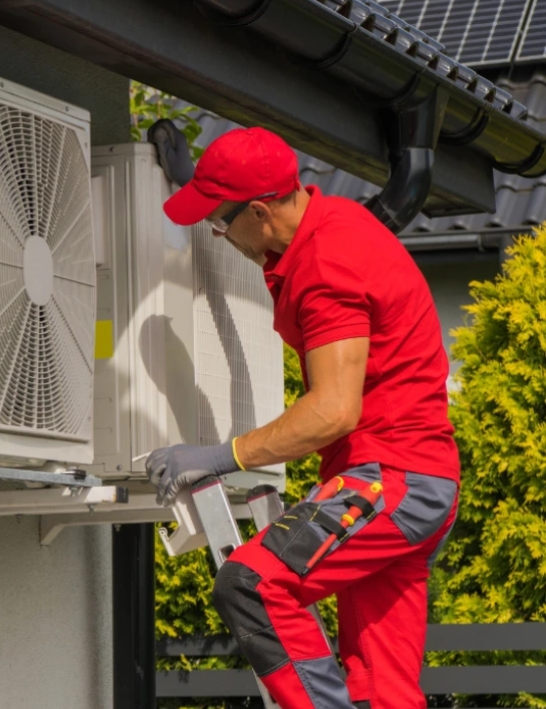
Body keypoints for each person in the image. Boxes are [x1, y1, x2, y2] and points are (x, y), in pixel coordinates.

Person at [146, 126, 459, 709]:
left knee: (252, 584)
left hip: (389, 481)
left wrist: (221, 455)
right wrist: (202, 188)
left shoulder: (325, 266)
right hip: (421, 481)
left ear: (260, 212)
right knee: (381, 693)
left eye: (220, 220)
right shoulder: (328, 223)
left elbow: (334, 411)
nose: (219, 231)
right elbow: (255, 227)